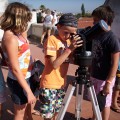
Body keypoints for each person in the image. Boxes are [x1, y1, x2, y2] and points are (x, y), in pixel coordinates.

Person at [39, 13, 83, 120]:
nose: (68, 36)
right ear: (58, 27)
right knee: (48, 115)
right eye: (66, 32)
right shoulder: (52, 40)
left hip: (61, 83)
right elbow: (54, 64)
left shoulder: (68, 41)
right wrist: (69, 50)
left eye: (72, 34)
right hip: (49, 84)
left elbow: (70, 60)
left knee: (57, 112)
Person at [0, 2, 37, 120]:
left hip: (26, 76)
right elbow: (15, 69)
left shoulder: (17, 33)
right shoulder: (10, 38)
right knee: (19, 114)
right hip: (18, 80)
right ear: (18, 19)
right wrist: (28, 91)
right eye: (25, 20)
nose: (27, 23)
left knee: (24, 108)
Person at [90, 5, 120, 120]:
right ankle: (94, 117)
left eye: (95, 21)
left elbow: (115, 63)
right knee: (95, 101)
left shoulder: (112, 38)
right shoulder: (96, 35)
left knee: (105, 103)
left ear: (105, 21)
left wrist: (108, 82)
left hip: (105, 78)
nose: (93, 23)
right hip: (94, 75)